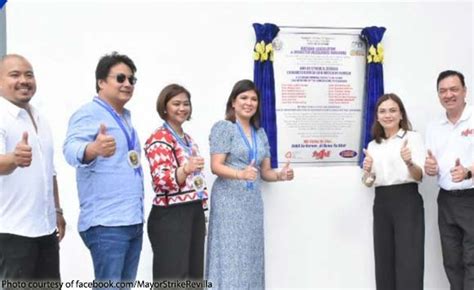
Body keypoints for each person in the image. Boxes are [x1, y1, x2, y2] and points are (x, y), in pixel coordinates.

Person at [63, 52, 144, 288]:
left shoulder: (126, 118)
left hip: (131, 219)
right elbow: (70, 149)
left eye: (132, 80)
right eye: (120, 78)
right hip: (107, 223)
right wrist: (93, 148)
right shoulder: (88, 113)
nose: (127, 84)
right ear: (101, 82)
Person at [205, 79, 294, 289]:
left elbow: (265, 172)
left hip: (252, 203)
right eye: (243, 98)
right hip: (228, 202)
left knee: (250, 254)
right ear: (233, 102)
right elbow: (215, 166)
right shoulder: (224, 128)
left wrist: (281, 175)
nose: (249, 102)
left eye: (253, 99)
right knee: (229, 255)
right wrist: (240, 174)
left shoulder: (260, 133)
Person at [0, 54, 66, 288]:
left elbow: (50, 170)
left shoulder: (40, 117)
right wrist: (13, 159)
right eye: (14, 75)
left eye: (29, 74)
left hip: (45, 230)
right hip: (12, 233)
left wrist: (57, 210)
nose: (24, 80)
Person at [144, 84, 209, 284]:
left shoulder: (188, 140)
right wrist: (185, 169)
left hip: (193, 211)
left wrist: (203, 209)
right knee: (173, 280)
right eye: (176, 103)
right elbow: (161, 180)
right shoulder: (159, 138)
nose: (182, 108)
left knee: (193, 277)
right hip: (171, 215)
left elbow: (197, 182)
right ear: (164, 107)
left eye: (186, 104)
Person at [362, 93, 425, 290]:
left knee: (409, 259)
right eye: (382, 111)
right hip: (381, 204)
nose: (387, 115)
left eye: (392, 110)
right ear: (377, 117)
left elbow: (419, 176)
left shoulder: (412, 138)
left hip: (407, 201)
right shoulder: (373, 145)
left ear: (400, 115)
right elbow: (369, 182)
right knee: (384, 260)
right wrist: (367, 171)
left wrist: (408, 161)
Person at [424, 70, 473, 290]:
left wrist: (469, 172)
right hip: (445, 201)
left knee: (472, 260)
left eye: (454, 89)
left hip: (471, 198)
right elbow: (431, 163)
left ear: (465, 91)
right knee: (452, 260)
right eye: (443, 91)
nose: (449, 95)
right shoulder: (434, 127)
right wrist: (430, 168)